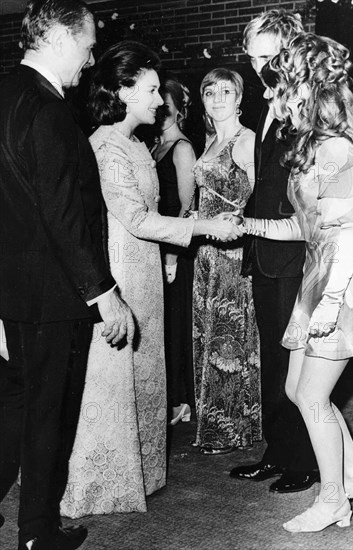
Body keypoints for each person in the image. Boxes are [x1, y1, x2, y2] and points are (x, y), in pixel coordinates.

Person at [60, 42, 242, 518]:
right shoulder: (103, 146)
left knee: (145, 367)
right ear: (121, 91)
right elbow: (136, 219)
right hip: (119, 270)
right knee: (114, 376)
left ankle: (141, 473)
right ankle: (100, 482)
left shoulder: (135, 144)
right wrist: (204, 226)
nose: (160, 101)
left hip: (144, 269)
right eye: (150, 90)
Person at [233, 32, 353, 532]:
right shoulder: (311, 146)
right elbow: (306, 228)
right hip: (320, 273)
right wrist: (251, 226)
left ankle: (334, 500)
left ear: (303, 89)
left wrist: (328, 308)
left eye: (276, 86)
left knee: (311, 395)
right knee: (297, 387)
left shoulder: (337, 150)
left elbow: (349, 237)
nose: (268, 96)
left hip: (342, 284)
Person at [0, 1, 134, 549]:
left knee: (14, 407)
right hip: (52, 295)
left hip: (11, 293)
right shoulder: (49, 110)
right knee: (48, 413)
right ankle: (37, 533)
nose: (92, 54)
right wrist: (104, 294)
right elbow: (63, 214)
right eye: (87, 42)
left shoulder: (6, 95)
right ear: (58, 38)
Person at [229, 9, 319, 493]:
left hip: (294, 250)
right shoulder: (269, 104)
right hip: (264, 249)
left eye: (267, 56)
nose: (257, 65)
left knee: (296, 363)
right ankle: (277, 450)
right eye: (252, 55)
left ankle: (304, 460)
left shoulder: (304, 107)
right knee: (272, 358)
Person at [192, 68, 261, 455]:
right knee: (209, 333)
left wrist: (235, 223)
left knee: (229, 338)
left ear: (238, 98)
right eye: (210, 92)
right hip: (206, 251)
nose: (217, 98)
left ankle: (233, 427)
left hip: (232, 251)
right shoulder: (210, 141)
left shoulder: (245, 140)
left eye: (226, 91)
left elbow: (257, 195)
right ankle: (214, 423)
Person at [152, 78, 197, 425]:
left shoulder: (182, 147)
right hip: (156, 242)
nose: (161, 111)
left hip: (175, 249)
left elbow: (186, 204)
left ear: (180, 108)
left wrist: (172, 255)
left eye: (168, 106)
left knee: (177, 322)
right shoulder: (155, 147)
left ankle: (181, 399)